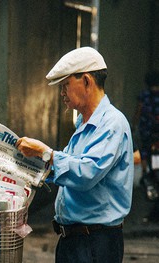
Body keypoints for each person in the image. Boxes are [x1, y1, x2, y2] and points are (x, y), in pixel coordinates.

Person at [16, 47, 134, 263]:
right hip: (74, 240)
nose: (62, 93)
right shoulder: (83, 123)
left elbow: (86, 173)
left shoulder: (112, 124)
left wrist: (47, 154)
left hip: (96, 243)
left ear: (87, 81)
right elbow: (70, 168)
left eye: (65, 86)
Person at [134, 70, 159, 221]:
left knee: (144, 152)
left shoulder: (144, 95)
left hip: (147, 134)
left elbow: (138, 112)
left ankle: (145, 172)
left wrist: (134, 125)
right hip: (155, 136)